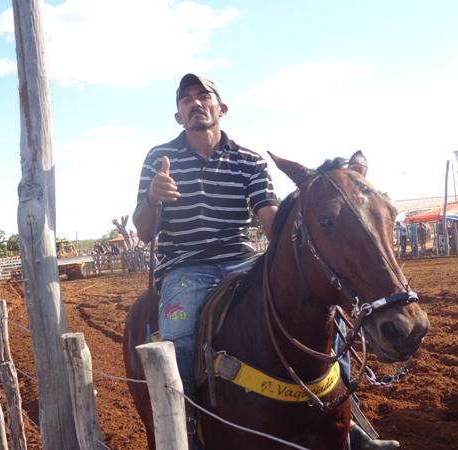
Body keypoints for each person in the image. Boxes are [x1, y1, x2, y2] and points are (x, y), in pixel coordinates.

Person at [133, 73, 396, 450]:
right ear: (179, 116)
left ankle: (348, 422)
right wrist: (152, 198)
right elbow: (143, 231)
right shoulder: (161, 159)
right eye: (186, 99)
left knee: (329, 321)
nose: (195, 103)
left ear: (220, 109)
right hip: (185, 270)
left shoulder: (248, 161)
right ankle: (185, 437)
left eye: (203, 96)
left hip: (243, 261)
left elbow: (271, 221)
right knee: (181, 346)